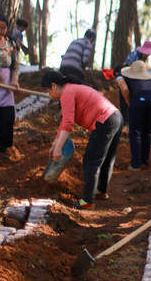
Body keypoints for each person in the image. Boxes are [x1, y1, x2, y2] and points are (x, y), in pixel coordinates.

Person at [41, 70, 123, 209]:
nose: (49, 95)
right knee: (107, 158)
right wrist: (56, 143)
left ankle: (87, 201)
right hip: (116, 117)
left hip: (105, 120)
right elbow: (64, 122)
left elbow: (68, 123)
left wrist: (59, 149)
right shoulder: (71, 89)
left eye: (48, 91)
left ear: (54, 86)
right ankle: (101, 191)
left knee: (91, 160)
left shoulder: (67, 93)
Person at [116, 59, 151, 171]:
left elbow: (124, 89)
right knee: (146, 132)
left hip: (140, 99)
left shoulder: (122, 77)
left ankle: (136, 164)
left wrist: (129, 102)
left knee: (135, 132)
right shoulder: (148, 80)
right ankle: (144, 161)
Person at [0, 13, 20, 156]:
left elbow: (15, 66)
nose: (0, 31)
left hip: (6, 90)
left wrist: (14, 80)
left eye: (3, 28)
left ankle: (5, 148)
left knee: (7, 118)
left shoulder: (11, 45)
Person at [115, 39, 151, 122]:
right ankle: (125, 121)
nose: (149, 54)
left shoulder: (144, 57)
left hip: (135, 79)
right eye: (148, 52)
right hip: (126, 76)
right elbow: (128, 68)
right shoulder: (134, 55)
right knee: (125, 97)